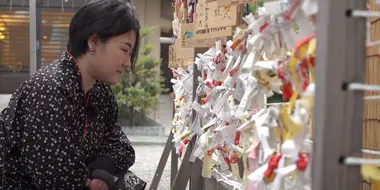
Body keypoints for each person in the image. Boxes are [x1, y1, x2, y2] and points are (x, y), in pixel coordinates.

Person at [0, 0, 145, 189]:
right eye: (124, 50)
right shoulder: (49, 90)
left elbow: (123, 147)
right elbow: (57, 179)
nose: (127, 62)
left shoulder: (99, 90)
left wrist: (102, 169)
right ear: (93, 42)